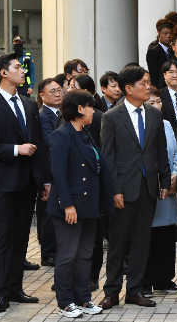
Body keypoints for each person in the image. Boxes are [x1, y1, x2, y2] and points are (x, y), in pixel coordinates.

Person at [0, 53, 51, 312]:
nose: (23, 71)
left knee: (20, 239)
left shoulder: (29, 105)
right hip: (0, 184)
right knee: (3, 238)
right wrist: (16, 149)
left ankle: (16, 288)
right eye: (18, 67)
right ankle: (1, 293)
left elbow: (39, 145)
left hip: (27, 183)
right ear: (3, 73)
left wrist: (44, 182)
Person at [99, 65, 171, 310]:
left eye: (148, 82)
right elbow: (108, 157)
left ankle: (135, 291)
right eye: (143, 83)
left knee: (142, 241)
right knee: (118, 243)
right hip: (123, 189)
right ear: (128, 89)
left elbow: (160, 150)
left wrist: (164, 179)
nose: (148, 87)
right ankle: (111, 292)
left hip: (148, 186)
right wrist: (115, 189)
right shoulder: (111, 117)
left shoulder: (154, 114)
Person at [47, 90, 114, 318]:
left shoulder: (85, 133)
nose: (93, 111)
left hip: (88, 206)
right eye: (90, 106)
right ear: (79, 109)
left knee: (85, 254)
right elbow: (59, 174)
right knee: (68, 255)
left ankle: (83, 299)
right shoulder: (61, 135)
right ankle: (65, 302)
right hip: (70, 207)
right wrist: (67, 205)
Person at [141, 87, 177, 295]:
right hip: (147, 188)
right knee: (146, 235)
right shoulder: (139, 125)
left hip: (168, 189)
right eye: (151, 103)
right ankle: (145, 281)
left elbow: (175, 155)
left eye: (158, 102)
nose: (156, 106)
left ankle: (164, 279)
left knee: (166, 236)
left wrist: (175, 174)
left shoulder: (166, 125)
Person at [37, 78, 64, 268]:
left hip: (60, 168)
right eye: (52, 91)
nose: (57, 94)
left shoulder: (61, 112)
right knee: (48, 214)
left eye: (59, 90)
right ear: (42, 95)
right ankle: (48, 253)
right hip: (49, 170)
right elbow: (49, 142)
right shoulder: (43, 116)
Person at [146, 20, 175, 89]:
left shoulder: (173, 50)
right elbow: (154, 75)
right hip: (161, 88)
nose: (168, 36)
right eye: (165, 33)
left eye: (170, 33)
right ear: (159, 35)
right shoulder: (153, 51)